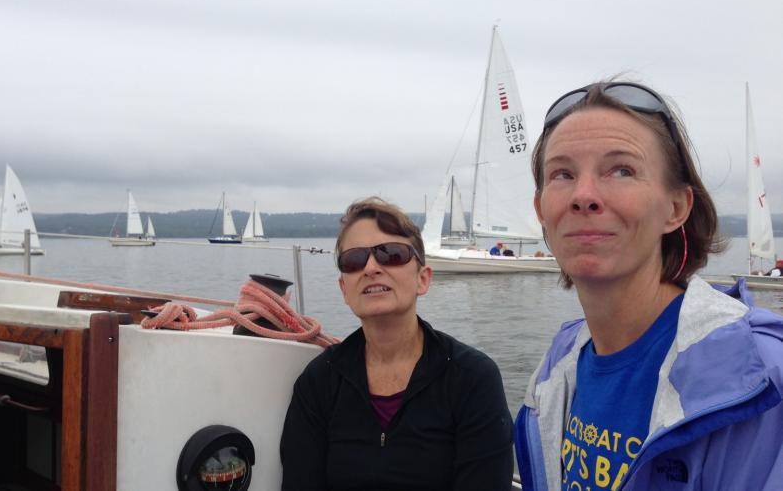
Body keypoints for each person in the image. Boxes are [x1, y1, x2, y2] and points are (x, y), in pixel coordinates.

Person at [515, 81, 783, 490]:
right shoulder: (557, 367)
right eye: (563, 174)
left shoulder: (762, 377)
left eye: (622, 170)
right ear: (541, 210)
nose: (583, 196)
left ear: (676, 208)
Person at [281, 197, 514, 490]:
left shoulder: (471, 378)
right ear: (344, 289)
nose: (370, 267)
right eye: (354, 260)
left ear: (423, 279)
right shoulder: (319, 381)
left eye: (391, 254)